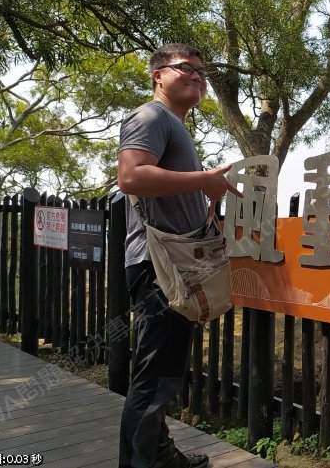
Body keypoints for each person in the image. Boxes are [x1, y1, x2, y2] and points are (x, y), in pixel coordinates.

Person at [117, 43, 241, 468]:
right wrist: (203, 179)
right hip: (160, 269)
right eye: (186, 68)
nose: (197, 77)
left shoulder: (173, 125)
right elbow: (131, 176)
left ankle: (160, 455)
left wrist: (203, 196)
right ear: (158, 75)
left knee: (164, 373)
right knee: (154, 380)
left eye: (201, 73)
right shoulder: (152, 116)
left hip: (171, 266)